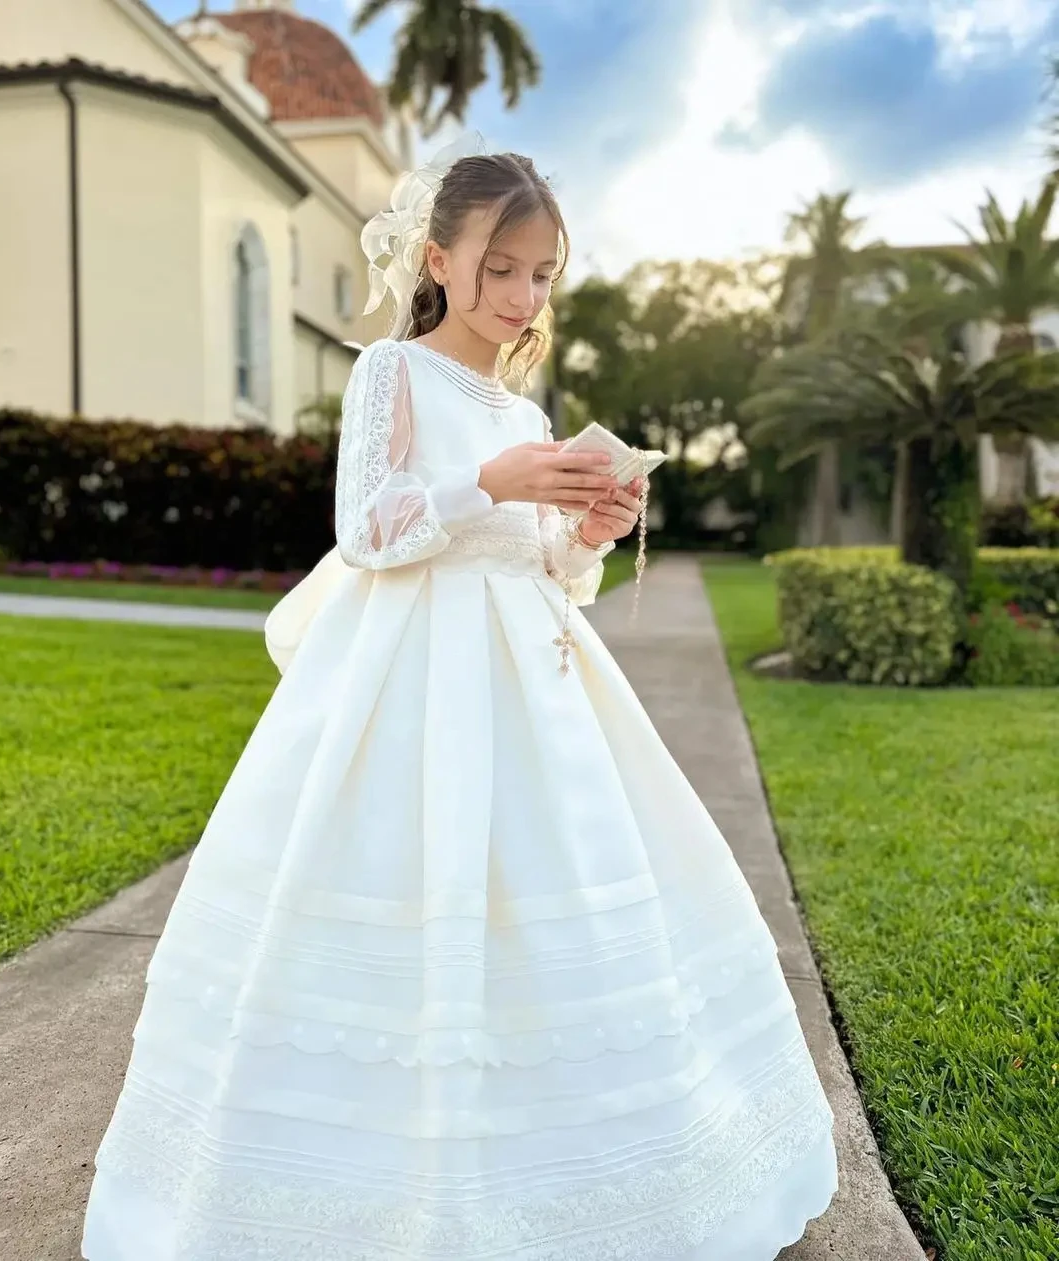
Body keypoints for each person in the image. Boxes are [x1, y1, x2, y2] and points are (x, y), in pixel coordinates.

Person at [81, 136, 838, 1261]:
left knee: (551, 885)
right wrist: (484, 479)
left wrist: (585, 526)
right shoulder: (395, 373)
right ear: (440, 258)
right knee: (403, 888)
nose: (521, 296)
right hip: (407, 676)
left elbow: (544, 566)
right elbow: (368, 528)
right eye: (501, 269)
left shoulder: (526, 414)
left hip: (532, 673)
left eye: (541, 274)